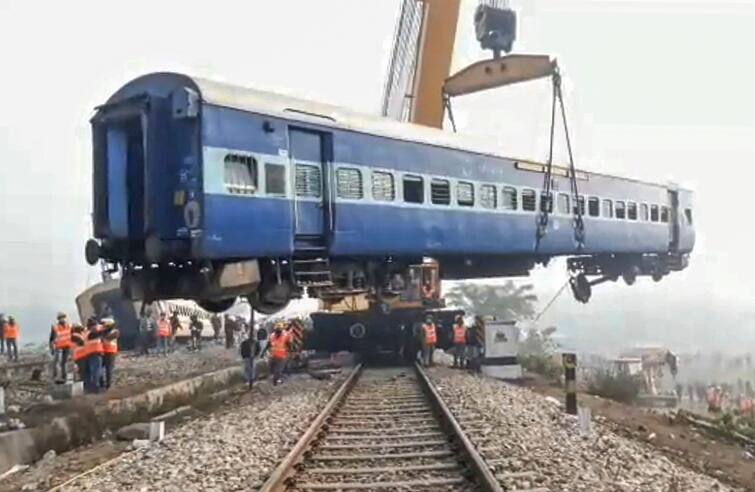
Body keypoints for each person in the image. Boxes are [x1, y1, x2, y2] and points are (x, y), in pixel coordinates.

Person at [49, 313, 72, 382]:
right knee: (56, 362)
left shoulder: (69, 326)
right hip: (59, 347)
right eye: (61, 318)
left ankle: (64, 377)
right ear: (58, 319)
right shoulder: (55, 327)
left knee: (64, 363)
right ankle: (56, 377)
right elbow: (51, 339)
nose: (63, 319)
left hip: (67, 346)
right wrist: (52, 348)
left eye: (64, 317)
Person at [83, 320, 104, 393]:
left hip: (94, 354)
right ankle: (95, 387)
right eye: (95, 326)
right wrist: (105, 329)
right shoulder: (90, 334)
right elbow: (98, 333)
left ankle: (99, 386)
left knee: (98, 371)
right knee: (96, 371)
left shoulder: (88, 333)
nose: (96, 327)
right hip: (94, 353)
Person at [101, 319, 119, 390]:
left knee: (109, 369)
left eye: (104, 325)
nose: (103, 326)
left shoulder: (115, 331)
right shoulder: (103, 332)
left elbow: (108, 338)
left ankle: (108, 385)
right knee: (101, 369)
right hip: (103, 351)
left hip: (111, 351)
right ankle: (102, 383)